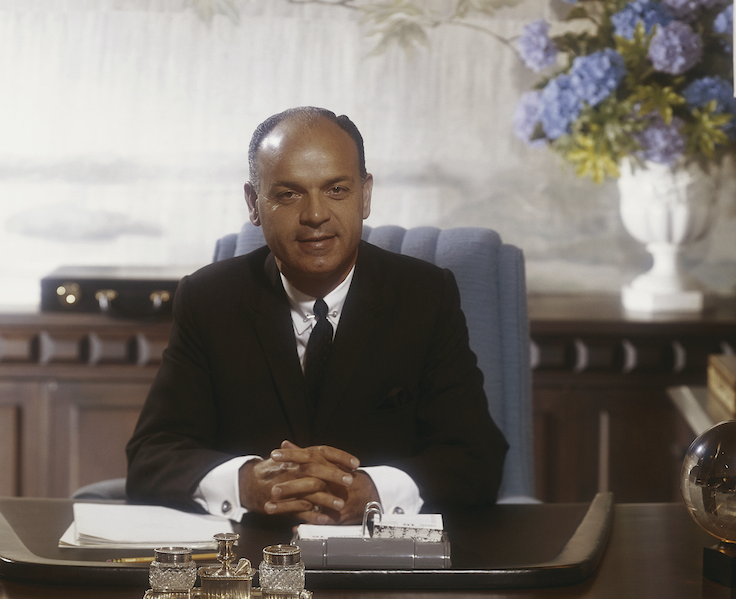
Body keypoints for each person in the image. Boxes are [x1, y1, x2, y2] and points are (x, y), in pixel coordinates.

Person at [124, 106, 507, 523]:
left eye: (337, 190)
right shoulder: (209, 299)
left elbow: (476, 458)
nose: (315, 215)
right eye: (289, 194)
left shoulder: (425, 296)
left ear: (366, 195)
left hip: (382, 562)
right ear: (254, 203)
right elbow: (152, 456)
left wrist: (372, 491)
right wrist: (247, 483)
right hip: (253, 562)